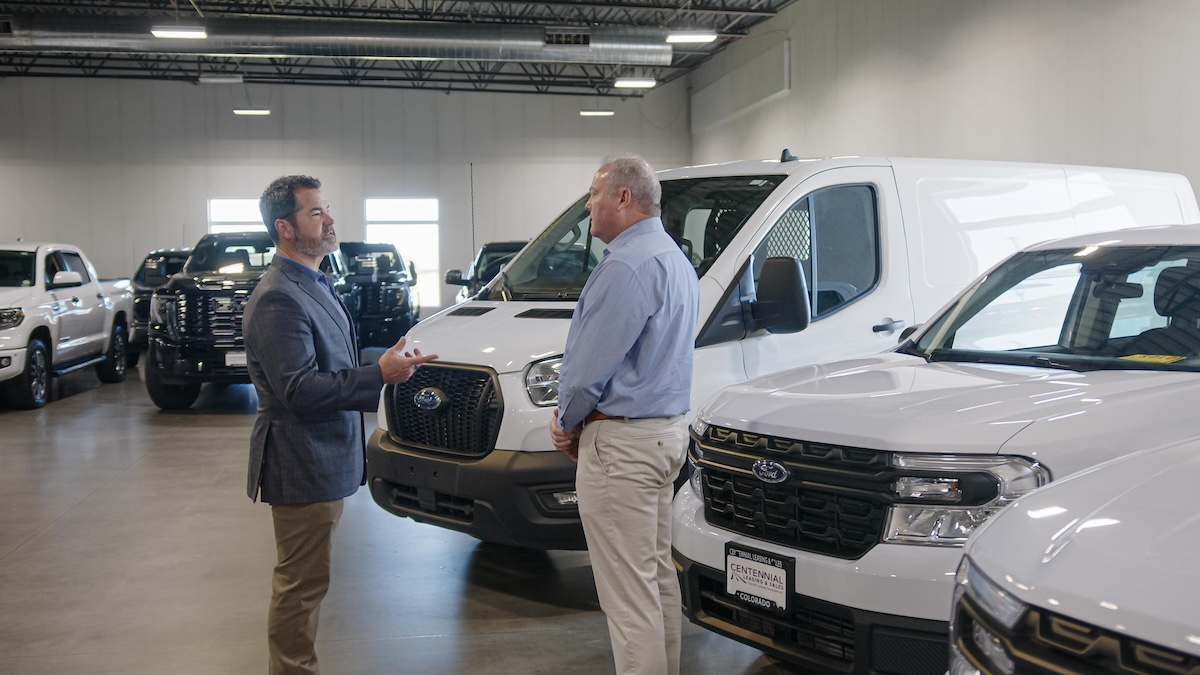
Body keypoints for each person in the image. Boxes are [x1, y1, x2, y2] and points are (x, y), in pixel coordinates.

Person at [244, 175, 437, 675]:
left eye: (327, 210)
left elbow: (333, 363)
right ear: (284, 228)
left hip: (324, 456)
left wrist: (383, 362)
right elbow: (300, 390)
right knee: (300, 586)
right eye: (315, 214)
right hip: (300, 459)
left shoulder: (313, 282)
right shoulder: (277, 297)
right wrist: (380, 375)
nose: (330, 221)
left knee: (309, 581)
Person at [548, 155, 699, 675]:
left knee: (627, 597)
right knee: (655, 580)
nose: (587, 205)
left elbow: (589, 368)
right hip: (663, 439)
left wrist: (566, 422)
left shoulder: (625, 266)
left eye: (593, 194)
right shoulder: (674, 260)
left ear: (622, 198)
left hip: (623, 450)